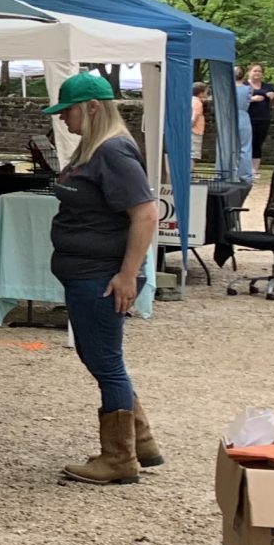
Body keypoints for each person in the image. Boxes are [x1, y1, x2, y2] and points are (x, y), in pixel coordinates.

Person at [46, 74, 160, 486]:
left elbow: (146, 214)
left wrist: (127, 275)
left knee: (105, 362)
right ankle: (139, 442)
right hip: (89, 273)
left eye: (68, 111)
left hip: (100, 276)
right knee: (103, 359)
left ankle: (119, 458)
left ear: (93, 107)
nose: (64, 120)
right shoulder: (95, 149)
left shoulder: (111, 151)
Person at [244, 63, 274, 164]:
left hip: (263, 118)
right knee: (247, 143)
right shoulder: (244, 85)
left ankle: (255, 169)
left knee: (258, 143)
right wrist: (253, 99)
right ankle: (245, 167)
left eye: (259, 71)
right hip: (247, 118)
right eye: (255, 71)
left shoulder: (268, 86)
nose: (257, 73)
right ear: (249, 73)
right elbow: (238, 100)